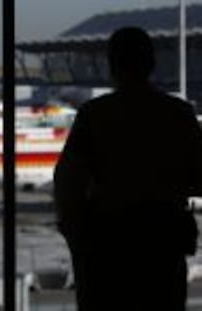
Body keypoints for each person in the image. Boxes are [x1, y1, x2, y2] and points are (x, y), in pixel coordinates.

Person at [54, 27, 202, 311]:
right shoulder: (178, 114)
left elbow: (67, 182)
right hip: (162, 250)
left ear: (111, 65)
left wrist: (76, 236)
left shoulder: (94, 115)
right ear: (152, 63)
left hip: (107, 251)